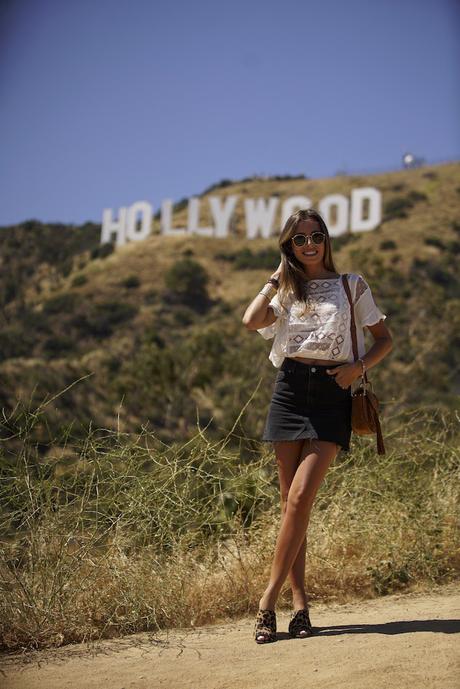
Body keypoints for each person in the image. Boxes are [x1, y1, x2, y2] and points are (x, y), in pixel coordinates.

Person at [242, 208, 393, 644]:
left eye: (315, 236)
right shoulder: (287, 289)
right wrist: (276, 278)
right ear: (289, 247)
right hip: (289, 391)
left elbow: (385, 339)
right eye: (299, 239)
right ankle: (301, 605)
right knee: (293, 506)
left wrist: (356, 368)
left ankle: (266, 602)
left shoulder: (352, 284)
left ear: (327, 239)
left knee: (302, 496)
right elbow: (251, 321)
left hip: (332, 395)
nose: (309, 244)